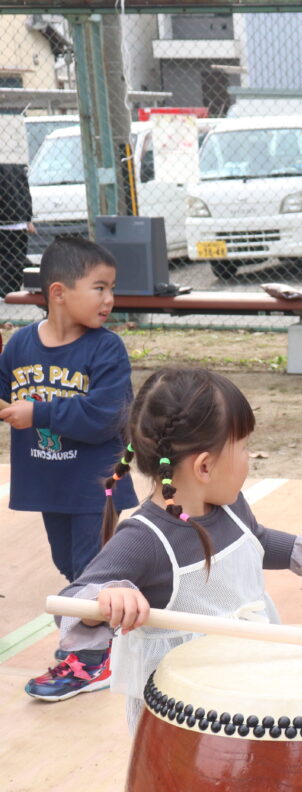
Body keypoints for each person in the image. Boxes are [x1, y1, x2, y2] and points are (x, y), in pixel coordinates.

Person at [43, 367, 302, 728]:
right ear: (205, 466)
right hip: (184, 721)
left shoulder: (230, 505)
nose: (248, 459)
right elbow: (70, 604)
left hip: (245, 685)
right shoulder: (145, 538)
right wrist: (106, 598)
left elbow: (257, 541)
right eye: (243, 448)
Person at [0, 237, 139, 701]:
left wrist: (37, 413)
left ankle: (90, 661)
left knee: (89, 573)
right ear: (58, 292)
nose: (109, 299)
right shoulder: (20, 344)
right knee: (72, 568)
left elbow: (107, 417)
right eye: (98, 288)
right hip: (47, 481)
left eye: (111, 288)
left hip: (94, 485)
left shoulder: (106, 350)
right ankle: (119, 624)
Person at [0, 159, 35, 296]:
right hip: (17, 217)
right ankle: (10, 289)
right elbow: (26, 194)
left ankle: (6, 290)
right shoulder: (18, 168)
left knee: (10, 258)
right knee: (16, 257)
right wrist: (27, 218)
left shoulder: (6, 169)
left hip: (6, 220)